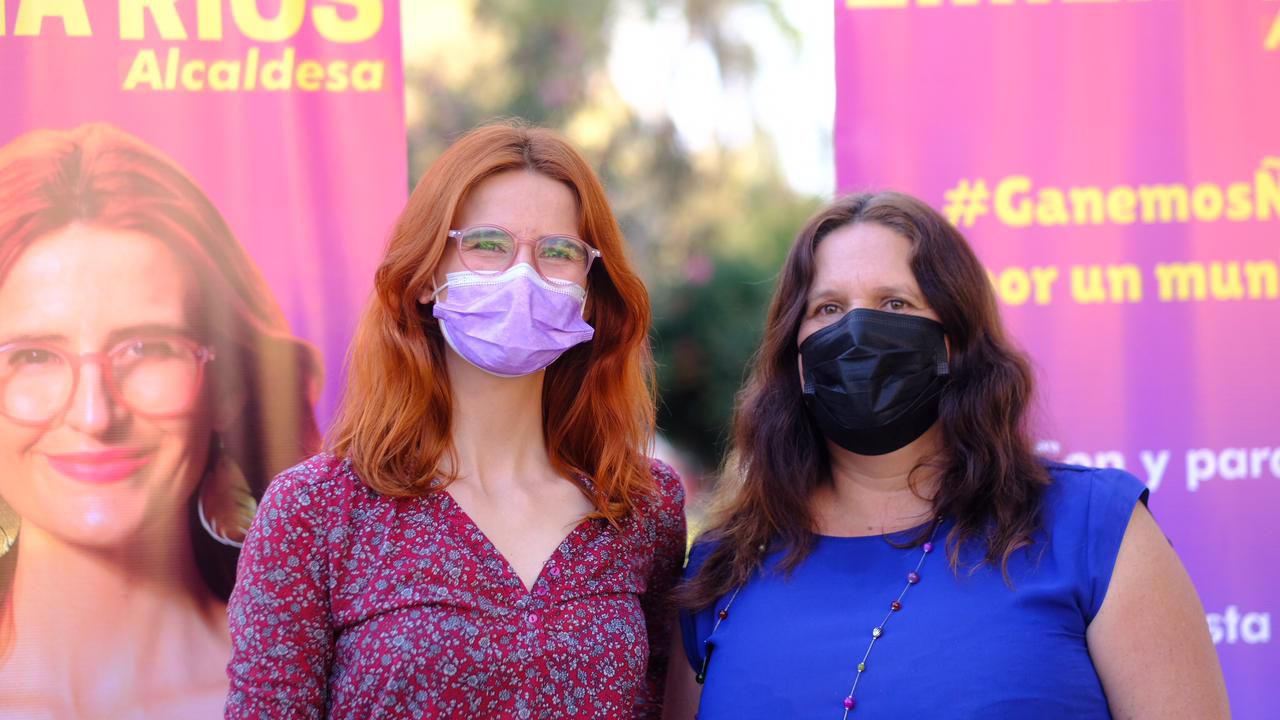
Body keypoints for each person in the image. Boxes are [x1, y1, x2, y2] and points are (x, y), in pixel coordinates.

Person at [664, 192, 1230, 719]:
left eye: (895, 302)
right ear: (798, 355)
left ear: (956, 342)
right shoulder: (723, 566)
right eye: (829, 309)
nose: (859, 331)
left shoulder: (1091, 530)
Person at [225, 121, 687, 719]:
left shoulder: (643, 507)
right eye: (488, 244)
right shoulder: (314, 511)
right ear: (424, 276)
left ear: (591, 287)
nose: (524, 275)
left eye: (559, 251)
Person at [0, 123, 321, 717]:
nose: (95, 416)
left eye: (147, 348)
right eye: (34, 357)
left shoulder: (326, 686)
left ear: (225, 387)